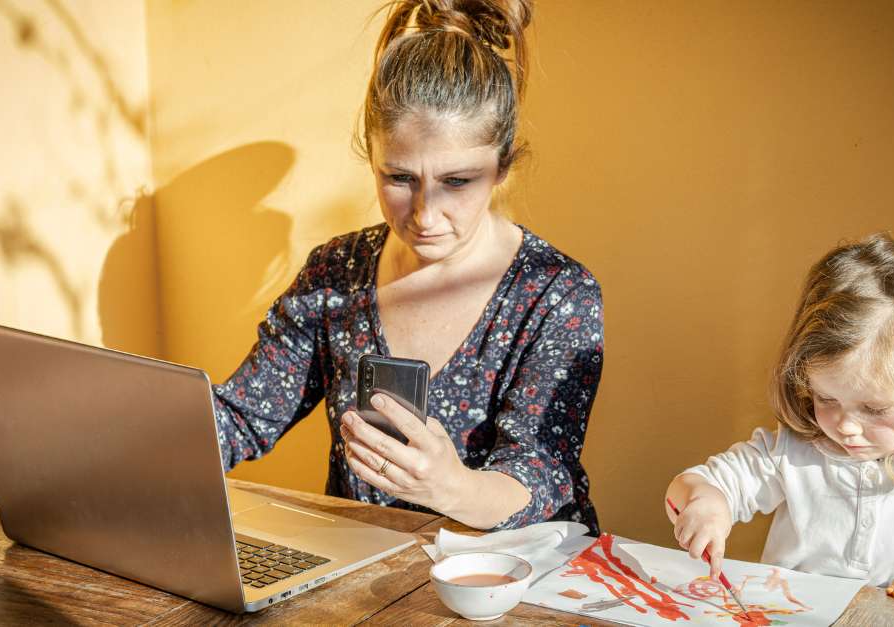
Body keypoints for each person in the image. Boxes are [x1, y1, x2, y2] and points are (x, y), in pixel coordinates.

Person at [212, 0, 603, 535]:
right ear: (370, 155)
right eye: (399, 178)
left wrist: (451, 488)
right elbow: (241, 417)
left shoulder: (556, 293)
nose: (424, 215)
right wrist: (118, 436)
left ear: (503, 168)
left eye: (458, 182)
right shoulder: (336, 272)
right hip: (366, 575)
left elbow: (541, 471)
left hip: (513, 587)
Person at [663, 234, 894, 619]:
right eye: (826, 399)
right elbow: (700, 483)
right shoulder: (793, 452)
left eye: (875, 408)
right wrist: (706, 503)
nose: (844, 426)